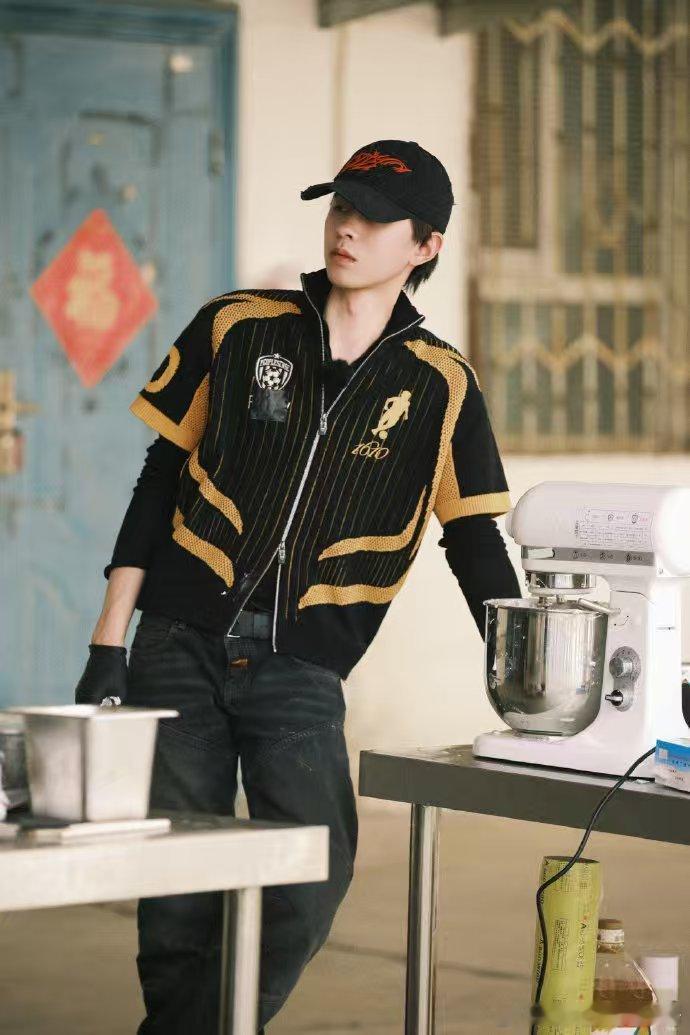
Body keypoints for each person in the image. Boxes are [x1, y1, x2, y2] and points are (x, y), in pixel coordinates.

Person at [75, 139, 521, 1033]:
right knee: (177, 895)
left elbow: (473, 540)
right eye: (341, 206)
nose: (347, 227)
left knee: (312, 877)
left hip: (301, 663)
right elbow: (159, 479)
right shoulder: (237, 326)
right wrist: (107, 642)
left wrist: (523, 677)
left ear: (426, 245)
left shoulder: (441, 386)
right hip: (176, 641)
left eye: (375, 217)